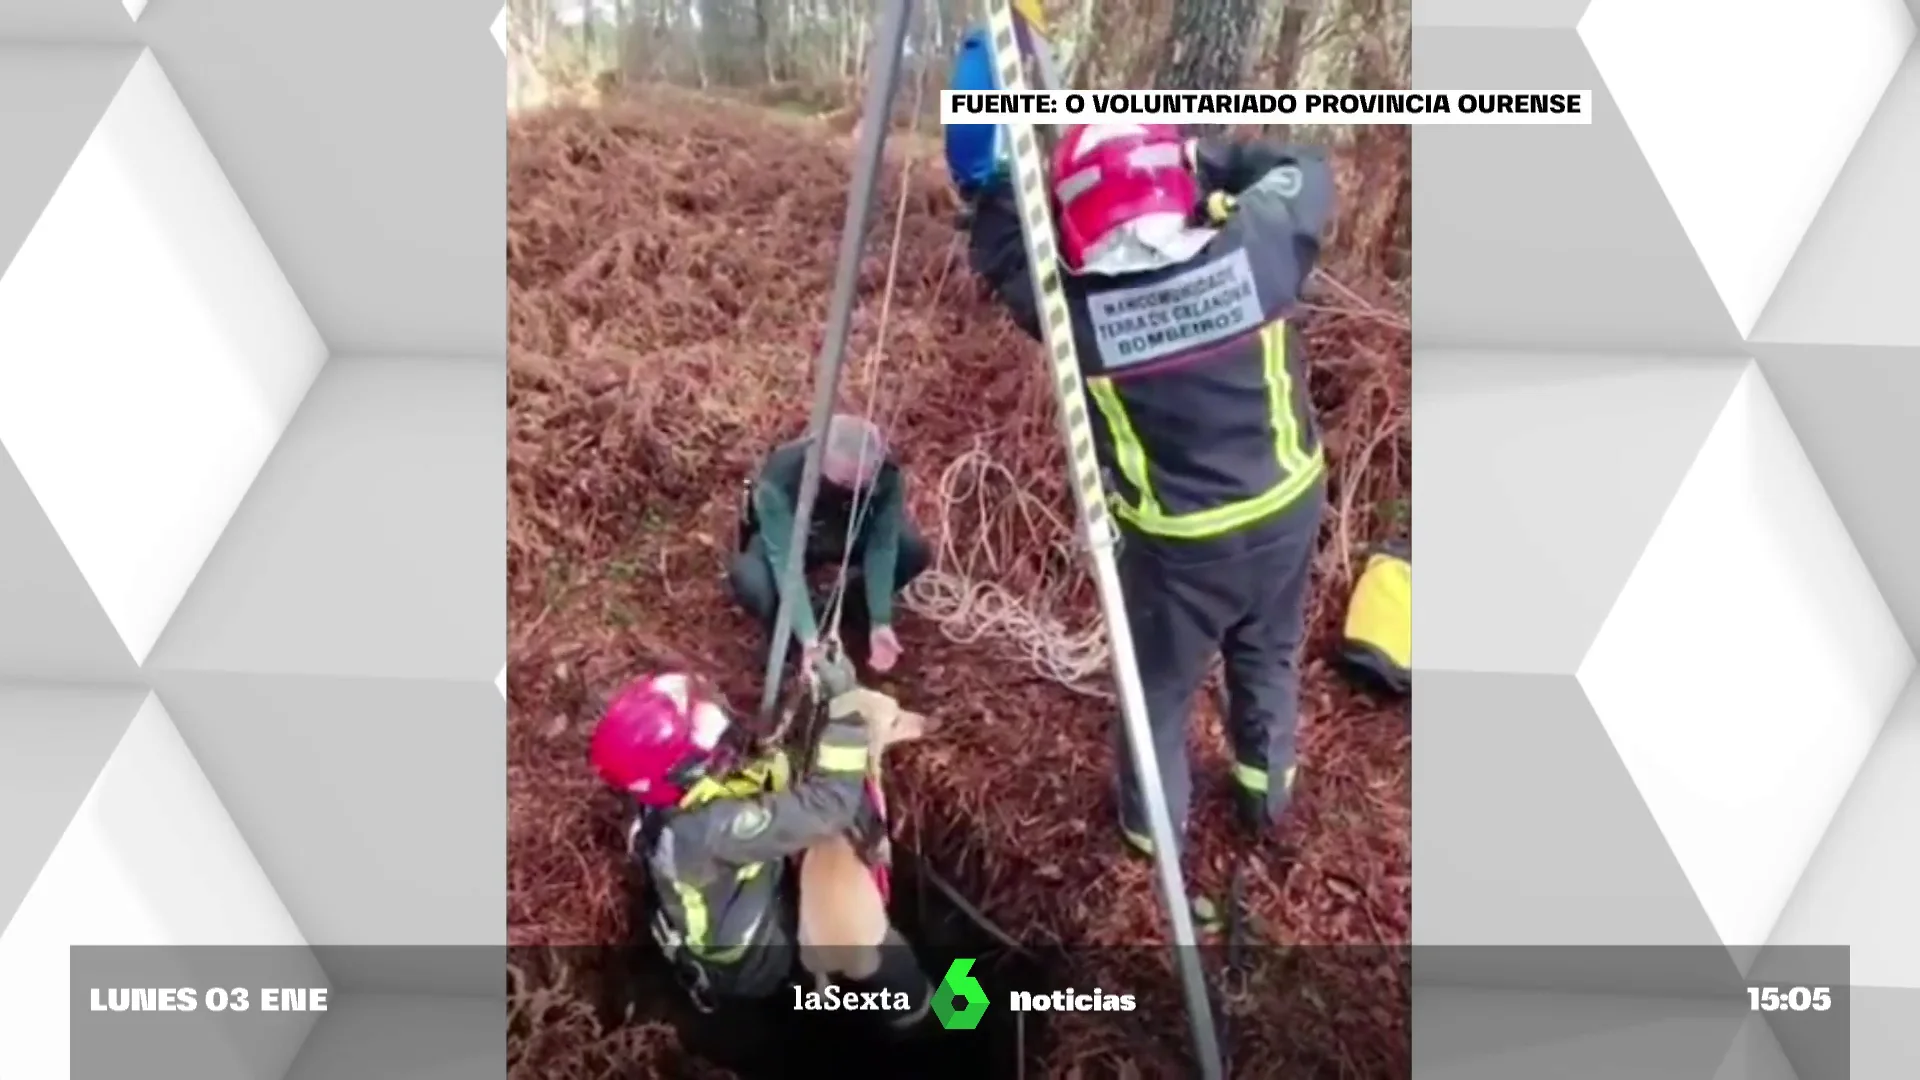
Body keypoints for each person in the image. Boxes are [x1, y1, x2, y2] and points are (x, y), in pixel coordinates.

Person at [947, 114, 1335, 871]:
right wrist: (1209, 157)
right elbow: (1306, 168)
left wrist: (990, 177)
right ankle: (1266, 796)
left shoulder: (1077, 315)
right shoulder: (1256, 248)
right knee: (1268, 653)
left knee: (1158, 689)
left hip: (1180, 546)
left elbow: (998, 252)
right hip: (1288, 508)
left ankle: (1150, 834)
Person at [591, 672, 934, 1032]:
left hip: (738, 910)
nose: (718, 725)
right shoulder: (708, 830)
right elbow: (830, 806)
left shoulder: (670, 799)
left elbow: (762, 770)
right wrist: (846, 722)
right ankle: (942, 1019)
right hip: (759, 966)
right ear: (682, 770)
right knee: (864, 937)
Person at [727, 413, 930, 675]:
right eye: (846, 482)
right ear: (821, 461)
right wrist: (810, 640)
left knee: (913, 550)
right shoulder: (781, 476)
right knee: (753, 580)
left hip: (848, 534)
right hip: (794, 540)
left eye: (864, 482)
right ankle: (787, 635)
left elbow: (883, 545)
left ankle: (851, 608)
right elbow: (786, 562)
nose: (856, 488)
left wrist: (881, 620)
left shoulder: (887, 473)